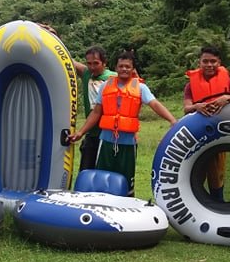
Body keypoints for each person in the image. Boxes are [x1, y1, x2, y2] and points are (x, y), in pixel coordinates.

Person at [69, 51, 176, 196]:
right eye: (121, 66)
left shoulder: (140, 88)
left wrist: (172, 120)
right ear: (116, 68)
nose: (124, 69)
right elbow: (96, 112)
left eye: (127, 66)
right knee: (102, 179)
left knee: (126, 181)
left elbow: (155, 104)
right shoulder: (105, 86)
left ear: (133, 69)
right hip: (106, 142)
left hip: (128, 144)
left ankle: (127, 204)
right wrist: (81, 132)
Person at [182, 45, 230, 201]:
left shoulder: (229, 81)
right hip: (198, 136)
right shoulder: (190, 86)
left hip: (220, 135)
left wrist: (226, 98)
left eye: (213, 61)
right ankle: (196, 202)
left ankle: (218, 203)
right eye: (205, 61)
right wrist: (197, 106)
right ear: (199, 63)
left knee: (216, 175)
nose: (209, 65)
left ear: (219, 62)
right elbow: (186, 108)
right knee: (197, 172)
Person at [71, 45, 117, 173]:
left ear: (104, 63)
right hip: (92, 134)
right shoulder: (87, 74)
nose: (92, 67)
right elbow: (68, 60)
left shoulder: (114, 78)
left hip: (109, 135)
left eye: (96, 63)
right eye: (89, 63)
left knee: (105, 172)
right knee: (86, 172)